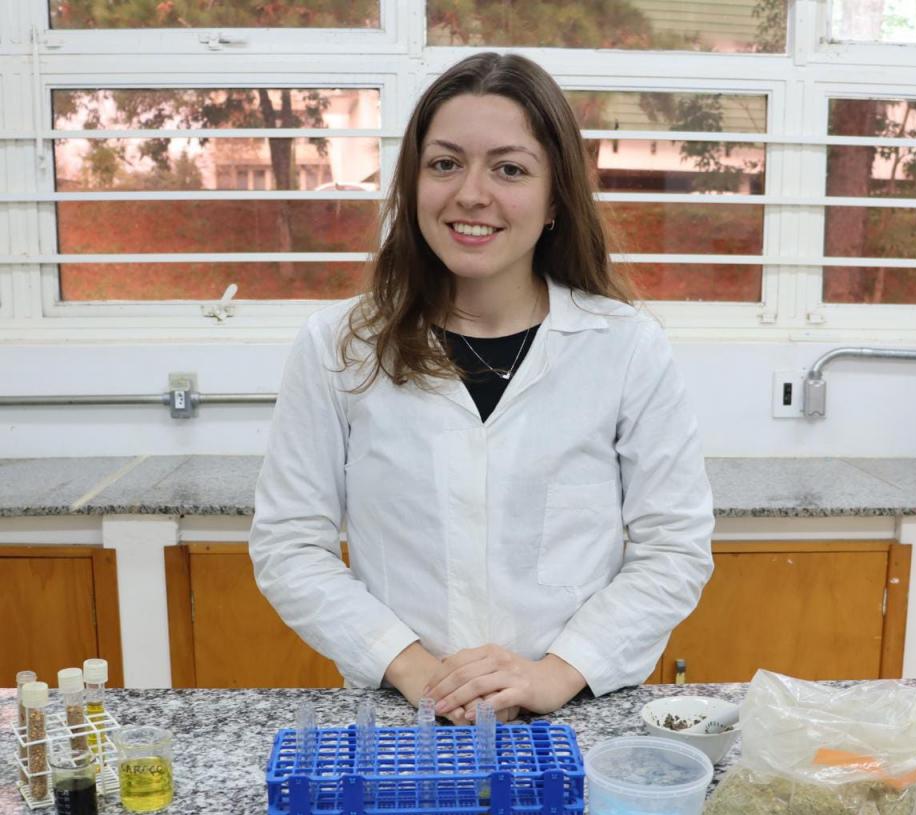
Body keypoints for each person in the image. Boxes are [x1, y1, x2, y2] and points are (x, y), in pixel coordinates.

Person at [250, 52, 714, 724]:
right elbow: (290, 545)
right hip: (404, 709)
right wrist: (418, 672)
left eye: (509, 168)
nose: (471, 193)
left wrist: (552, 676)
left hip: (574, 709)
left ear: (555, 198)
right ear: (412, 185)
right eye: (444, 164)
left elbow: (672, 548)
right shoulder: (338, 346)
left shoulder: (624, 347)